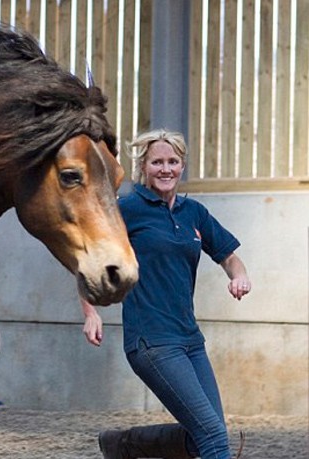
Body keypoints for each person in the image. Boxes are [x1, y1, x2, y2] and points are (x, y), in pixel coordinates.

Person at [81, 129, 250, 459]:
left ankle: (123, 445)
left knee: (202, 437)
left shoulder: (194, 213)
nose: (166, 169)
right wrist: (91, 313)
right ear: (143, 166)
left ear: (182, 165)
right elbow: (88, 259)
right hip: (151, 341)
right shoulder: (126, 209)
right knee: (213, 435)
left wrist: (239, 275)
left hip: (190, 340)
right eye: (157, 162)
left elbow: (229, 256)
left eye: (173, 161)